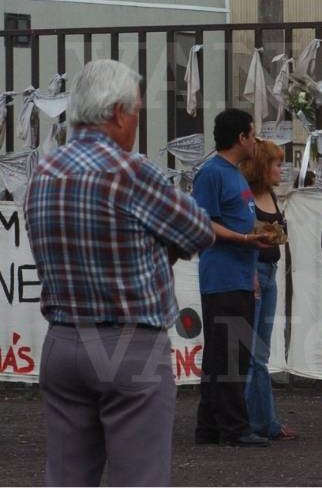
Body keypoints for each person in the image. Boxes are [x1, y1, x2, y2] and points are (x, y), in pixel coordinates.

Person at [25, 60, 214, 486]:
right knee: (139, 477)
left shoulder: (44, 172)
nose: (136, 123)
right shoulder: (132, 171)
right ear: (117, 113)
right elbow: (199, 231)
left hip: (62, 341)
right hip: (129, 345)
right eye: (137, 113)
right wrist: (162, 246)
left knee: (67, 478)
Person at [193, 108, 271, 447]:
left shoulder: (235, 174)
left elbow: (239, 219)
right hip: (222, 275)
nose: (255, 141)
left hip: (240, 273)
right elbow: (203, 222)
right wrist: (243, 240)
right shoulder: (211, 173)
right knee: (229, 355)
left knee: (224, 354)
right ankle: (235, 428)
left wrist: (252, 263)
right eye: (252, 134)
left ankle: (210, 427)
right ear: (241, 137)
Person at [240, 140, 297, 442]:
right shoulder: (247, 197)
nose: (281, 168)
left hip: (270, 272)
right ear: (264, 167)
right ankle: (254, 422)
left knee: (260, 352)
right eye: (276, 164)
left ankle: (265, 421)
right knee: (253, 352)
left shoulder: (270, 195)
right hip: (256, 274)